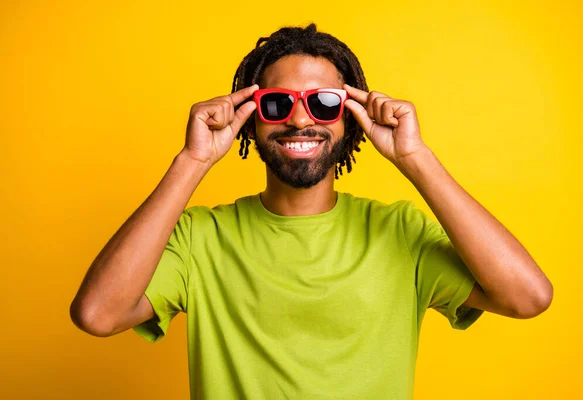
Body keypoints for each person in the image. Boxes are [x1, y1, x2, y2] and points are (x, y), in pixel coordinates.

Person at [70, 23, 553, 399]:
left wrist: (415, 159)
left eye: (323, 103)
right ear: (251, 119)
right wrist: (192, 162)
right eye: (277, 103)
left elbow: (527, 297)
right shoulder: (201, 238)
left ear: (350, 118)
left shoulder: (399, 233)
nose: (300, 118)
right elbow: (97, 314)